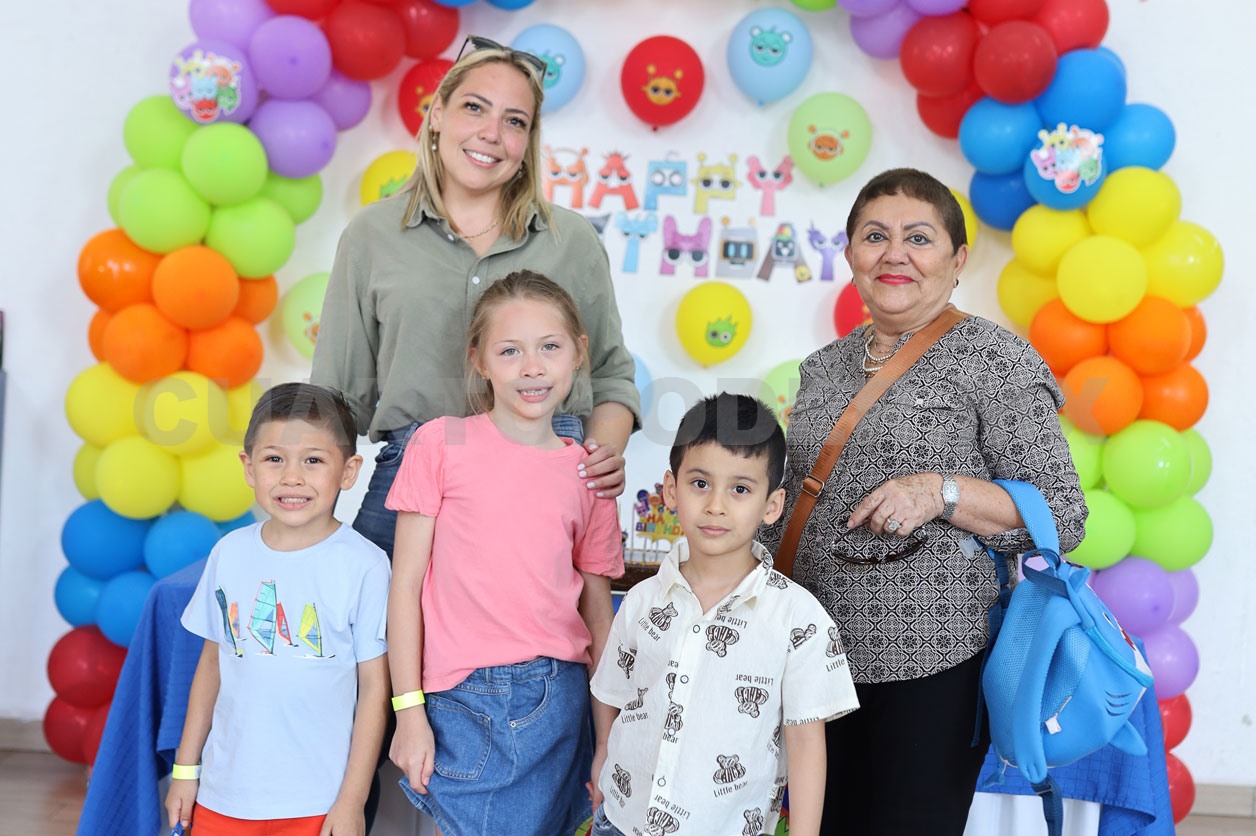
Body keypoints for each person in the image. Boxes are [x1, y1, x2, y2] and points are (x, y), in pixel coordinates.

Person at [761, 167, 1088, 836]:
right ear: (850, 254)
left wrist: (940, 491)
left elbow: (1061, 513)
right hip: (814, 656)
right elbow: (791, 503)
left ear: (958, 259)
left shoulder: (995, 359)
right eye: (874, 236)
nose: (895, 254)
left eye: (918, 237)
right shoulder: (823, 367)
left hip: (934, 662)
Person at [311, 35, 640, 561]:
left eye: (515, 121)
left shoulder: (571, 241)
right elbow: (337, 396)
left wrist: (599, 458)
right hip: (410, 475)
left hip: (543, 476)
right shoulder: (372, 235)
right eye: (474, 107)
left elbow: (610, 374)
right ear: (437, 114)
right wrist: (308, 525)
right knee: (382, 615)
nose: (491, 133)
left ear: (528, 140)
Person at [384, 271, 624, 836]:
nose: (531, 367)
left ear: (579, 353)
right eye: (510, 351)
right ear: (480, 361)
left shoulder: (588, 472)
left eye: (550, 347)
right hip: (464, 698)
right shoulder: (440, 443)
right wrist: (408, 710)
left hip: (561, 699)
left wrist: (608, 739)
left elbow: (597, 615)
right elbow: (405, 588)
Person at [589, 393, 860, 836]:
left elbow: (806, 743)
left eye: (740, 489)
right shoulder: (641, 601)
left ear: (772, 505)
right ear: (671, 489)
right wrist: (603, 751)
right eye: (700, 483)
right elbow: (611, 693)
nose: (716, 505)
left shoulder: (798, 618)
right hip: (622, 821)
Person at [165, 383, 390, 836]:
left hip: (318, 803)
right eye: (274, 459)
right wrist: (185, 771)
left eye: (313, 460)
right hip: (223, 797)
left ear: (348, 471)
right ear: (249, 467)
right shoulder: (229, 553)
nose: (292, 478)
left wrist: (352, 800)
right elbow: (211, 664)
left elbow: (374, 690)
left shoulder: (365, 565)